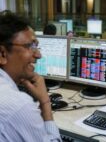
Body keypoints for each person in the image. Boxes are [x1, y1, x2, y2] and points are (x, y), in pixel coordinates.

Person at [0, 11, 62, 141]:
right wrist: (45, 102)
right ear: (2, 54)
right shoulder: (19, 106)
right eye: (30, 46)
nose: (38, 55)